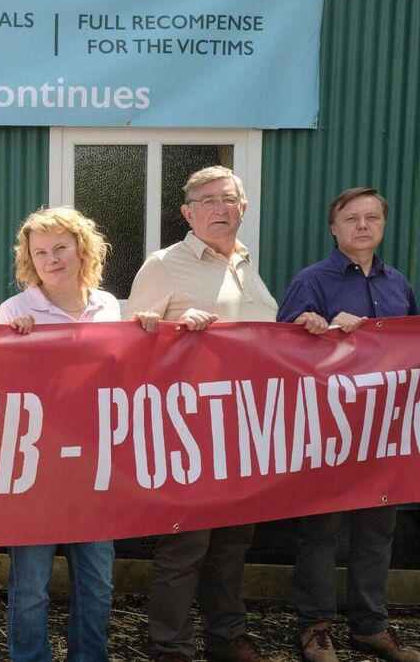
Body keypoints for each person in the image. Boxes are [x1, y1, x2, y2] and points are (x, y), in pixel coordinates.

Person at [126, 166, 327, 662]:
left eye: (230, 199)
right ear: (187, 212)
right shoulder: (163, 265)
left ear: (244, 208)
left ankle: (227, 637)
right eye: (209, 200)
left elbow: (263, 344)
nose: (221, 208)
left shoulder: (246, 264)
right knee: (185, 545)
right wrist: (173, 330)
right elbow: (130, 345)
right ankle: (171, 646)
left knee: (234, 543)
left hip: (245, 433)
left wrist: (300, 330)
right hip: (190, 432)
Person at [276, 187, 420, 662]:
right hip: (328, 432)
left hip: (385, 432)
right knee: (320, 533)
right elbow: (280, 350)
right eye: (352, 218)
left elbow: (417, 348)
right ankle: (315, 628)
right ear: (334, 228)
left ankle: (370, 627)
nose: (363, 225)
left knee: (376, 532)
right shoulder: (311, 280)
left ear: (384, 225)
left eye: (372, 217)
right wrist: (322, 328)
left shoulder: (398, 284)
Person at [0, 207, 118, 662]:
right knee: (30, 584)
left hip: (95, 466)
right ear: (29, 259)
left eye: (61, 248)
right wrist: (11, 344)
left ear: (82, 249)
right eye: (40, 252)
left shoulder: (110, 306)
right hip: (36, 466)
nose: (52, 260)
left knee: (97, 582)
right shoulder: (14, 310)